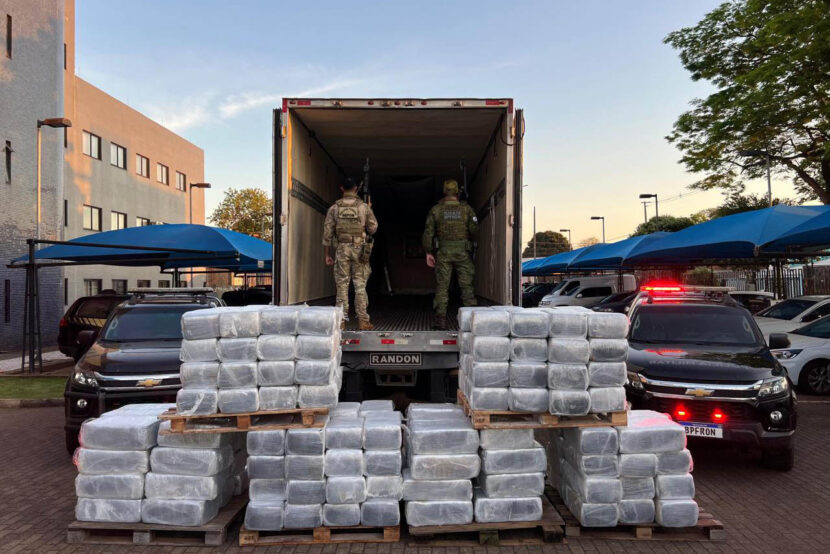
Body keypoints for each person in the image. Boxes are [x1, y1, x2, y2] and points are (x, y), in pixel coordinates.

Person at [422, 179, 478, 330]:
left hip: (443, 253)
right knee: (467, 287)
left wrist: (428, 252)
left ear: (444, 192)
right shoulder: (467, 209)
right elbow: (474, 231)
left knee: (442, 287)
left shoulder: (436, 210)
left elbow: (428, 232)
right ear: (457, 192)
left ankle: (440, 322)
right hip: (462, 253)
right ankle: (472, 323)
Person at [323, 177, 378, 330]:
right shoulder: (363, 207)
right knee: (360, 285)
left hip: (342, 249)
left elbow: (327, 234)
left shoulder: (334, 208)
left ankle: (341, 322)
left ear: (342, 188)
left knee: (342, 285)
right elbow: (373, 229)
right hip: (359, 249)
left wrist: (327, 255)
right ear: (355, 188)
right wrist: (369, 208)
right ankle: (363, 321)